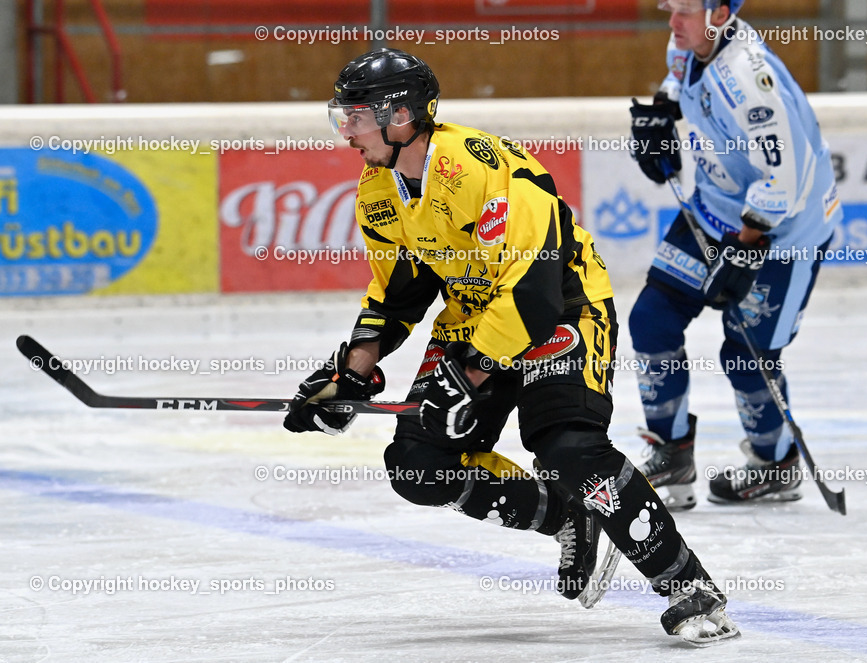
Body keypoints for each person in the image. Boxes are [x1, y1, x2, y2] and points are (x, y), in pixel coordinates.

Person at [283, 47, 738, 643]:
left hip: (563, 309)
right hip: (475, 319)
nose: (346, 132)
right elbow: (398, 293)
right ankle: (566, 512)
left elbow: (535, 292)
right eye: (341, 117)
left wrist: (467, 377)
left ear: (401, 116)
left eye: (357, 117)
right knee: (417, 465)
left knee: (569, 446)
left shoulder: (478, 168)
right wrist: (351, 373)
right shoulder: (377, 190)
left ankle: (688, 586)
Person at [628, 0, 841, 508]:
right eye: (670, 8)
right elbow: (680, 80)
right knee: (651, 321)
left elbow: (786, 178)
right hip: (714, 210)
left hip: (784, 233)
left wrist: (745, 247)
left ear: (719, 14)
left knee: (747, 357)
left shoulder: (749, 79)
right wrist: (662, 112)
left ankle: (775, 464)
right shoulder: (689, 44)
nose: (672, 22)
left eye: (684, 11)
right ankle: (671, 454)